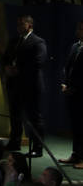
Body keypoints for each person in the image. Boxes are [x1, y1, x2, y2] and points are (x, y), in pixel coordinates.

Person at [3, 15, 47, 156]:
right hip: (14, 85)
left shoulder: (38, 42)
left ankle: (37, 148)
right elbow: (5, 58)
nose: (18, 26)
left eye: (22, 24)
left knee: (34, 117)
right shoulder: (14, 41)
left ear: (29, 25)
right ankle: (14, 142)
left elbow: (39, 61)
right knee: (15, 116)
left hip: (31, 86)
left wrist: (19, 70)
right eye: (18, 23)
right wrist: (6, 67)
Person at [58, 19, 83, 168]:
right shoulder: (75, 46)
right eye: (78, 28)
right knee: (76, 126)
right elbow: (67, 67)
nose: (78, 31)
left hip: (81, 94)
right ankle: (76, 155)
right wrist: (65, 84)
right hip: (72, 94)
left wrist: (77, 88)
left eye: (81, 28)